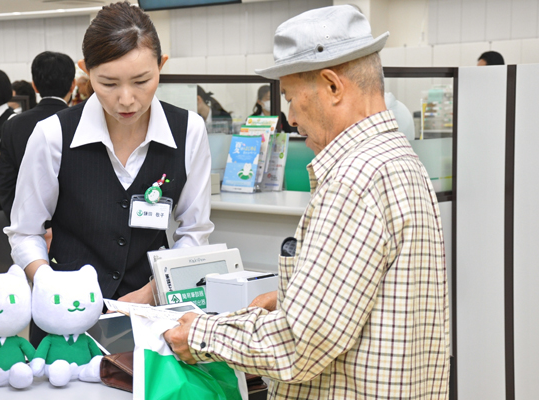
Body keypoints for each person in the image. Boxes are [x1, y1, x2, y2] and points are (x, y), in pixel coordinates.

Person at [164, 5, 450, 399]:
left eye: (293, 99)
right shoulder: (399, 161)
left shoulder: (354, 180)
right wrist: (294, 297)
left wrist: (200, 333)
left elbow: (301, 344)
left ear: (333, 87)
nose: (290, 118)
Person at [5, 1, 213, 347]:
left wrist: (151, 292)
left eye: (142, 80)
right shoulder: (53, 134)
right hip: (63, 323)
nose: (126, 99)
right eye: (109, 83)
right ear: (85, 71)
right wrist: (50, 284)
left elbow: (194, 232)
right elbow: (25, 233)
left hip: (153, 319)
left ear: (161, 66)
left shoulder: (188, 131)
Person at [0, 51, 76, 223]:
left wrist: (19, 221)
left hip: (28, 223)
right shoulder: (80, 122)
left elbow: (6, 182)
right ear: (73, 85)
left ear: (34, 86)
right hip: (75, 229)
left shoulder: (13, 125)